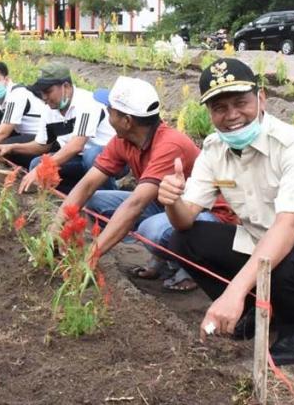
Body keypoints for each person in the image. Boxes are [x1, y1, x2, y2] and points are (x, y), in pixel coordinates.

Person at [159, 58, 294, 365]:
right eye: (220, 108)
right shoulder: (214, 150)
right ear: (210, 112)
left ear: (261, 98)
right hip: (263, 247)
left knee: (286, 262)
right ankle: (256, 306)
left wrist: (233, 292)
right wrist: (172, 201)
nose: (232, 115)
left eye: (241, 103)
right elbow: (185, 220)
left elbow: (288, 229)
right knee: (183, 240)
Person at [56, 76, 236, 292]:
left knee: (151, 230)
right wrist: (55, 226)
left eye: (110, 110)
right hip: (167, 206)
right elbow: (87, 185)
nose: (107, 114)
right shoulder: (123, 140)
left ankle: (190, 270)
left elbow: (135, 205)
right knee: (94, 201)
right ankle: (162, 260)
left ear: (127, 121)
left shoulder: (170, 144)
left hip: (208, 215)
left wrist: (89, 258)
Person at [0, 63, 116, 194]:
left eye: (48, 91)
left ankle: (108, 195)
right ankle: (77, 195)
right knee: (36, 163)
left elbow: (76, 146)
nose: (44, 97)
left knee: (92, 155)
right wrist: (12, 147)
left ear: (66, 87)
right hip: (78, 159)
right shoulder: (49, 111)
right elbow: (42, 145)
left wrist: (41, 168)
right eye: (42, 93)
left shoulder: (87, 103)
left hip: (109, 159)